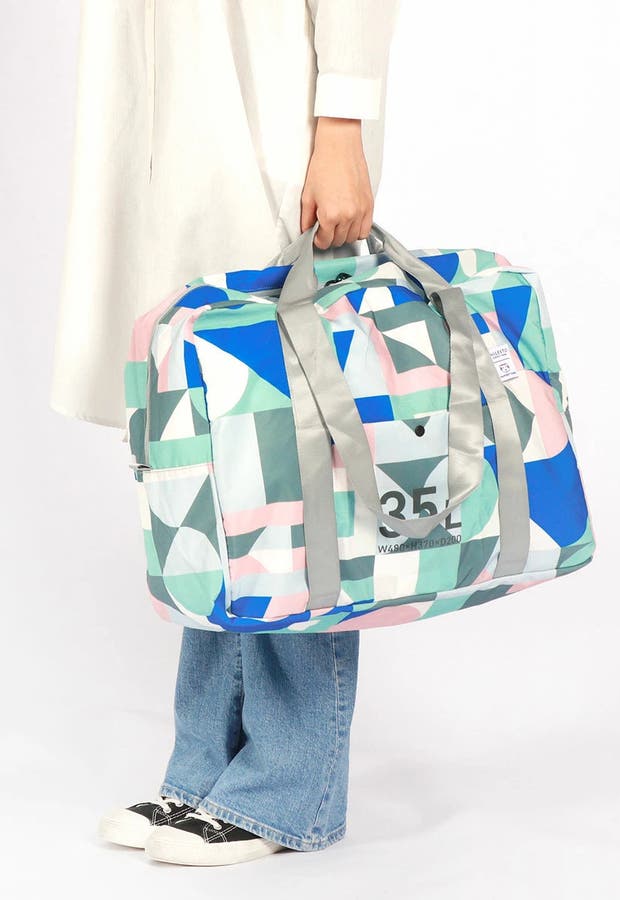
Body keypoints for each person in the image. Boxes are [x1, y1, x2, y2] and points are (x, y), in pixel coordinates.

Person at [50, 0, 400, 867]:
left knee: (283, 464)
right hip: (162, 129)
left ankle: (288, 786)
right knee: (207, 469)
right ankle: (208, 763)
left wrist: (343, 120)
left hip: (260, 114)